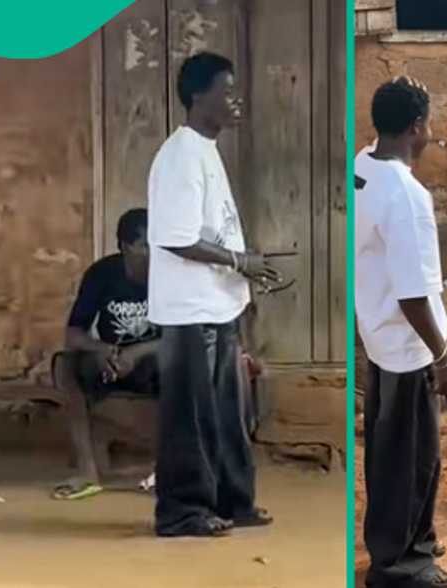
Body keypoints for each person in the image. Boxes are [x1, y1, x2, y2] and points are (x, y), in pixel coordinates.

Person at [146, 51, 279, 538]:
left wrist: (244, 267)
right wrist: (240, 262)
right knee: (192, 418)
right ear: (198, 96)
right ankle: (183, 511)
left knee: (226, 414)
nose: (236, 98)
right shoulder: (181, 155)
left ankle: (231, 501)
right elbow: (176, 237)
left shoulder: (206, 150)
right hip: (190, 312)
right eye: (227, 90)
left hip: (217, 307)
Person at [355, 76, 447, 588]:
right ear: (417, 126)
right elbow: (413, 295)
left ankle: (412, 538)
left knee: (390, 451)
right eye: (428, 122)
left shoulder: (362, 166)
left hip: (379, 336)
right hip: (408, 346)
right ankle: (398, 565)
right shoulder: (406, 195)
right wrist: (444, 358)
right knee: (412, 458)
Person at [52, 208, 157, 501]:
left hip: (154, 359)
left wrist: (137, 352)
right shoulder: (102, 274)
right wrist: (100, 349)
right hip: (111, 361)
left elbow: (182, 337)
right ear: (125, 247)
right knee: (65, 365)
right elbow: (73, 333)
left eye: (158, 244)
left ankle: (168, 470)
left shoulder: (171, 275)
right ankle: (88, 473)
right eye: (145, 245)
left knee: (183, 363)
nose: (153, 253)